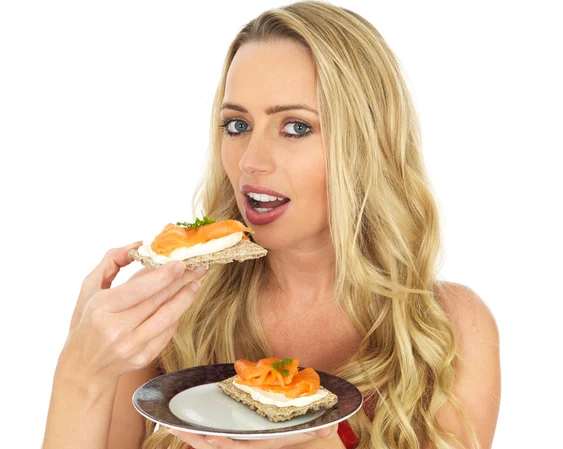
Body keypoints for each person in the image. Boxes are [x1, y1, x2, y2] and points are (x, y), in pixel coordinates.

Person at [42, 2, 501, 448]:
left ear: (365, 144)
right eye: (237, 125)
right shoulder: (165, 312)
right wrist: (81, 369)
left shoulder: (449, 330)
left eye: (295, 127)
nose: (250, 162)